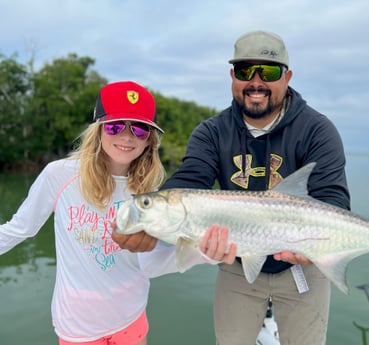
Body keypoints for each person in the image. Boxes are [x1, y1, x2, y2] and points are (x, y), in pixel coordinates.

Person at [114, 30, 350, 345]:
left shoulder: (317, 130)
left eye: (267, 71)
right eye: (244, 71)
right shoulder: (212, 132)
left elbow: (334, 200)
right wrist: (150, 226)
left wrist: (318, 248)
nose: (255, 82)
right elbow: (191, 177)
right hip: (237, 262)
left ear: (287, 76)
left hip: (303, 270)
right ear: (232, 76)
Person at [0, 81, 236, 345]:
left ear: (150, 140)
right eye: (115, 126)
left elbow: (150, 265)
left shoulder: (151, 195)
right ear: (98, 130)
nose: (127, 137)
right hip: (76, 327)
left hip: (131, 320)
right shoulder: (60, 175)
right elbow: (19, 228)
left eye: (139, 128)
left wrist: (202, 254)